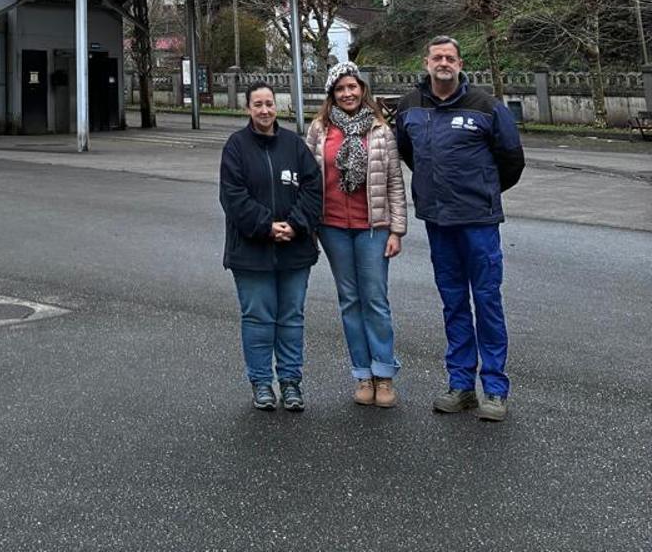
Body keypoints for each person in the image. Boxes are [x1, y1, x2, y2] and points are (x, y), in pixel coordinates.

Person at [394, 35, 525, 422]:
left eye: (450, 57)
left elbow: (512, 159)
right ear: (426, 62)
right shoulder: (409, 106)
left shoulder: (486, 106)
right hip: (438, 221)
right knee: (453, 303)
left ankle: (496, 390)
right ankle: (461, 384)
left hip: (479, 222)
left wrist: (482, 190)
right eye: (437, 57)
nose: (444, 63)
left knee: (486, 302)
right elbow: (409, 152)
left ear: (460, 63)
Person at [306, 62, 407, 408]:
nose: (347, 94)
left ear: (362, 90)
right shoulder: (319, 130)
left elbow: (394, 181)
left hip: (373, 228)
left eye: (352, 87)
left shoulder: (380, 131)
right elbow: (309, 180)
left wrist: (397, 229)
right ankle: (362, 374)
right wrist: (309, 225)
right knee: (349, 301)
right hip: (332, 227)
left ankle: (384, 374)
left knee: (375, 300)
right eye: (340, 89)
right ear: (331, 94)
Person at [220, 80, 322, 412]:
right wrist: (266, 226)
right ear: (247, 108)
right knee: (258, 318)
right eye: (257, 104)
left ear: (276, 106)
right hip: (251, 251)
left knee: (292, 318)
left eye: (269, 104)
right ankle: (262, 383)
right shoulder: (236, 147)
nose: (264, 110)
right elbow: (233, 197)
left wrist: (294, 224)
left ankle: (291, 382)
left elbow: (313, 188)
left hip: (295, 249)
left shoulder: (294, 144)